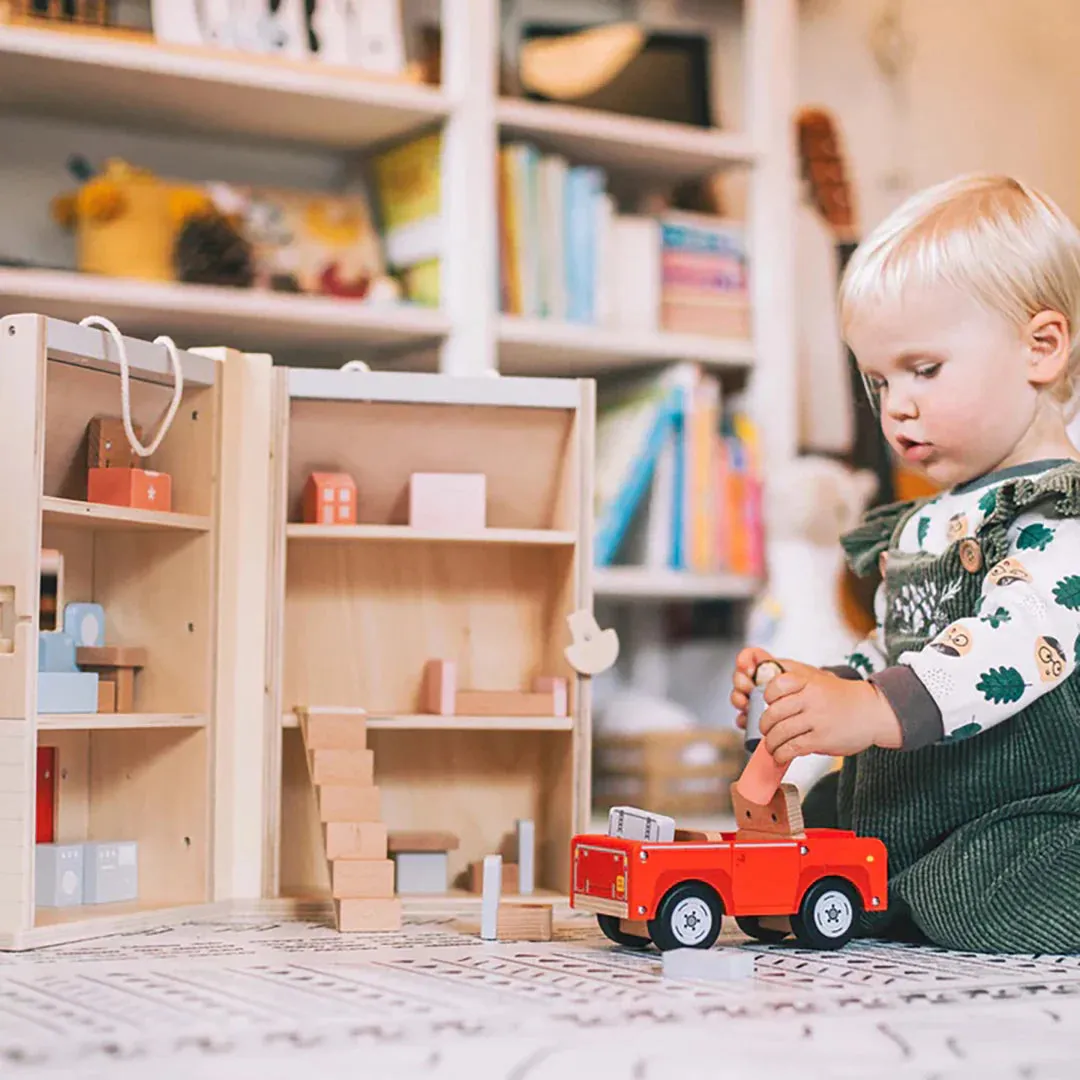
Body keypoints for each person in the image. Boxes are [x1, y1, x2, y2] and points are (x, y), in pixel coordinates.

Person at [730, 174, 1080, 953]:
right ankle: (907, 877)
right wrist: (816, 691)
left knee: (1018, 879)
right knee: (821, 825)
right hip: (922, 792)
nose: (896, 406)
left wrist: (870, 712)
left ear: (1041, 348)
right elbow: (891, 644)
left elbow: (1012, 643)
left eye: (924, 369)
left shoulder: (1060, 513)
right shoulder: (924, 519)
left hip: (1028, 801)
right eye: (880, 379)